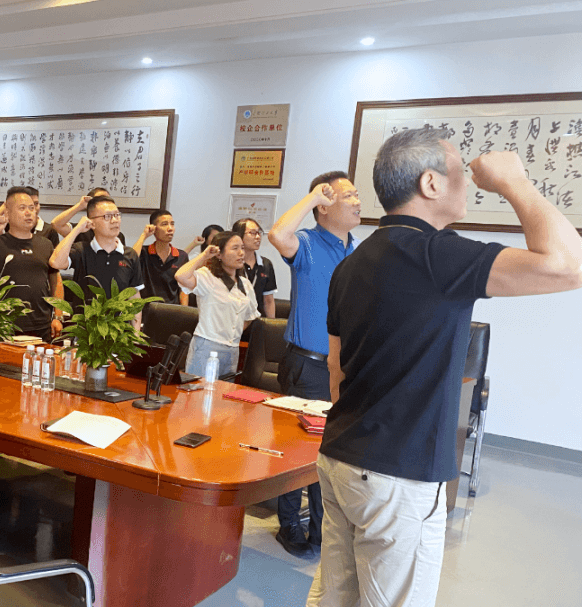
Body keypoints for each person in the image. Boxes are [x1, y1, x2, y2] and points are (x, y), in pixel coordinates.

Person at [308, 128, 582, 607]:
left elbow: (337, 369)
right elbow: (569, 265)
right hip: (397, 474)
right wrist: (515, 181)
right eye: (459, 171)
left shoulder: (353, 262)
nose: (469, 181)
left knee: (334, 597)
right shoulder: (437, 254)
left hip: (341, 458)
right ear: (430, 183)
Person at [267, 170, 362, 559]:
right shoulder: (306, 243)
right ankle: (289, 524)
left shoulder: (359, 251)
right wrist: (311, 199)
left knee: (331, 452)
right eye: (348, 195)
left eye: (357, 194)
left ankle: (322, 530)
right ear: (324, 206)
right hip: (307, 366)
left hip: (345, 369)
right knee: (297, 450)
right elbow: (277, 234)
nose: (357, 201)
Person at [0, 187, 63, 341]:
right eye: (22, 208)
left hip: (42, 324)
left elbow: (55, 280)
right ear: (8, 213)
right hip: (4, 325)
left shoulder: (46, 244)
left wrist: (58, 315)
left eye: (31, 208)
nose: (29, 213)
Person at [50, 195, 144, 327]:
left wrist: (136, 335)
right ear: (92, 223)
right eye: (107, 216)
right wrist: (77, 229)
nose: (114, 220)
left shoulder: (130, 255)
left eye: (117, 215)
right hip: (84, 332)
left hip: (117, 332)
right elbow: (55, 262)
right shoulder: (82, 250)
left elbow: (135, 298)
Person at [174, 232, 259, 377]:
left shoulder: (245, 283)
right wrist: (204, 255)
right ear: (219, 254)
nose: (241, 253)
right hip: (207, 346)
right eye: (235, 248)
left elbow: (250, 315)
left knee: (225, 390)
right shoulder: (208, 276)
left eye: (242, 248)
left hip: (233, 349)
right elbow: (180, 276)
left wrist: (230, 329)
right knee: (199, 389)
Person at [132, 209, 189, 306]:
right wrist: (144, 235)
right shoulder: (144, 252)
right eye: (164, 224)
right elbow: (131, 260)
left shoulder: (182, 256)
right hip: (147, 309)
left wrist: (184, 312)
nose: (170, 228)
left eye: (172, 224)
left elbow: (183, 289)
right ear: (154, 228)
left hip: (172, 309)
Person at [50, 186, 126, 244]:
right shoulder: (81, 230)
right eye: (100, 200)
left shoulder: (118, 235)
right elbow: (56, 224)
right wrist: (80, 206)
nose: (105, 204)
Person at [233, 218, 277, 318]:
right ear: (239, 236)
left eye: (259, 233)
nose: (258, 237)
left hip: (258, 319)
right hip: (234, 319)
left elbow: (268, 300)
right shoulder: (231, 263)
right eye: (252, 233)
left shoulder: (266, 264)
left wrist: (272, 324)